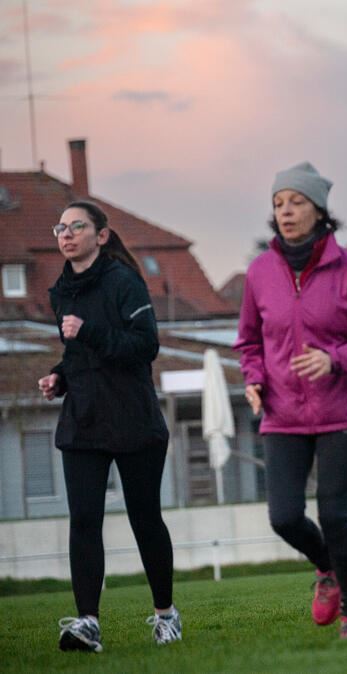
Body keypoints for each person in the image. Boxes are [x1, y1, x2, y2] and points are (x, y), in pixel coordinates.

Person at [235, 162, 347, 639]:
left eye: (297, 202)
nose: (286, 211)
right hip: (282, 413)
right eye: (279, 203)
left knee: (333, 514)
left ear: (319, 210)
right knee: (284, 516)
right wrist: (254, 378)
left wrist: (335, 360)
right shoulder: (261, 273)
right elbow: (248, 341)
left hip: (341, 412)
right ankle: (327, 566)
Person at [39, 201, 179, 652]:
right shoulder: (60, 290)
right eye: (61, 227)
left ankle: (165, 615)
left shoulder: (124, 282)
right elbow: (79, 352)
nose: (67, 234)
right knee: (83, 520)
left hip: (133, 418)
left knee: (144, 518)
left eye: (77, 226)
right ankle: (87, 623)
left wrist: (90, 332)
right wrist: (59, 376)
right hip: (83, 420)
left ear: (100, 236)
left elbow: (146, 346)